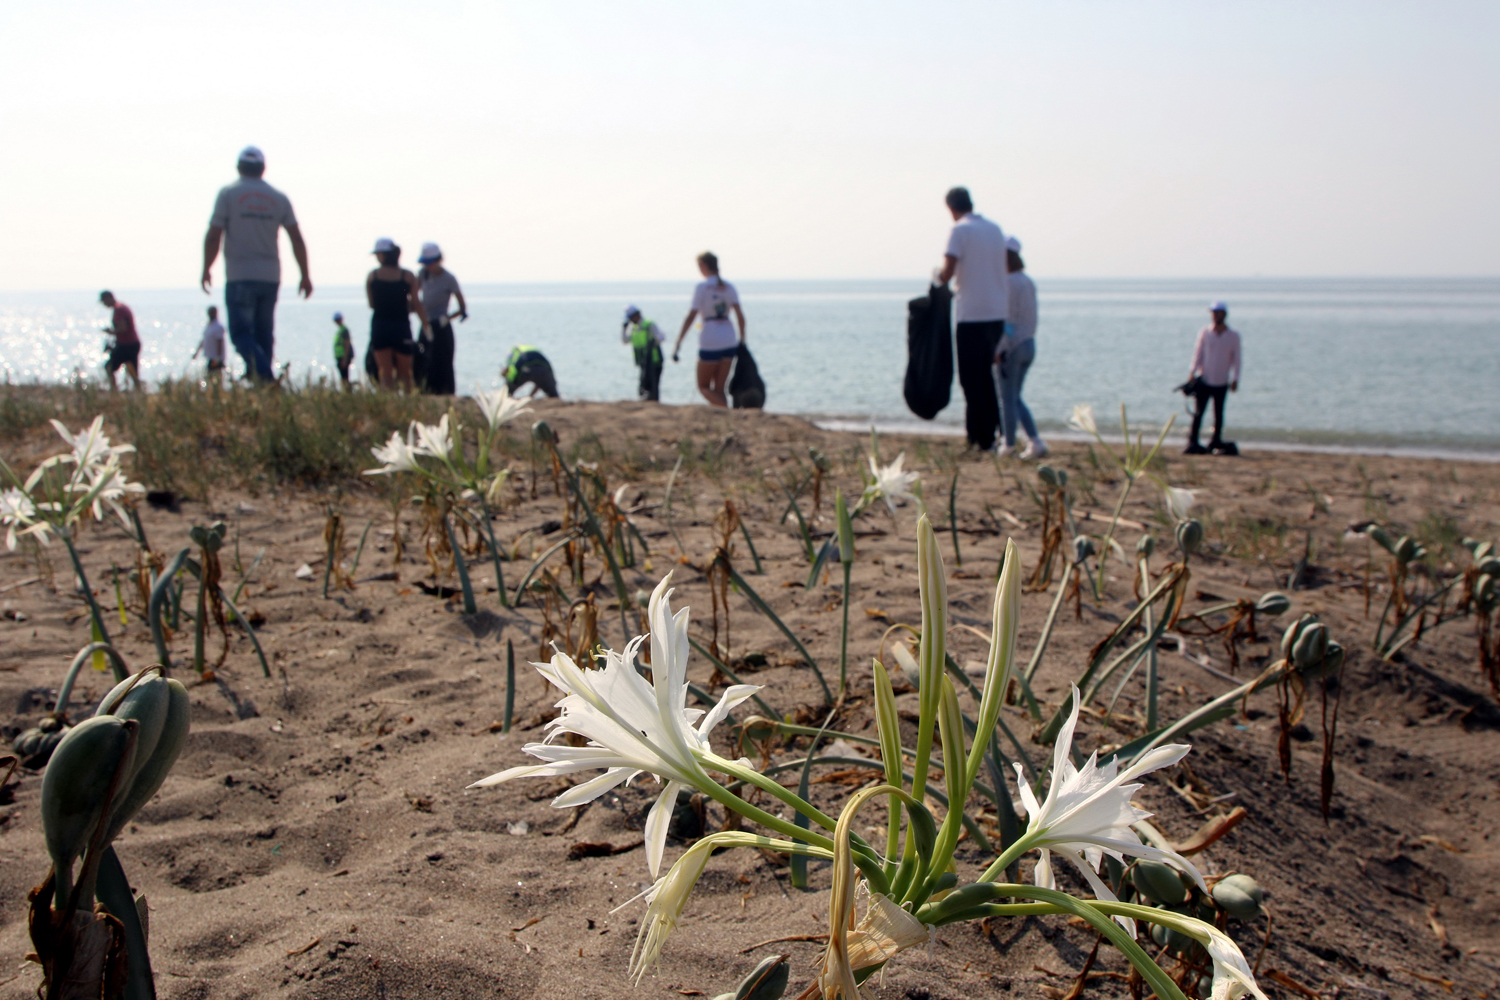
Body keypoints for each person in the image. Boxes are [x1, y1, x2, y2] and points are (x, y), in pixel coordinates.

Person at [202, 146, 312, 382]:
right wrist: (305, 274)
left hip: (239, 274)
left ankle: (265, 378)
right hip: (270, 276)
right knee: (264, 335)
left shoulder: (228, 194)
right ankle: (262, 383)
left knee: (241, 334)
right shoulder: (278, 197)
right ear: (263, 168)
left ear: (239, 167)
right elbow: (297, 238)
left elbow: (214, 235)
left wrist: (206, 268)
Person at [936, 187, 1008, 451]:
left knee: (970, 379)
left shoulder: (959, 231)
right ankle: (994, 433)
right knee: (987, 377)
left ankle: (978, 437)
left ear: (951, 208)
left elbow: (947, 271)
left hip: (972, 315)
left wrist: (936, 278)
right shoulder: (994, 229)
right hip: (997, 311)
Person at [672, 252, 745, 408]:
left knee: (703, 386)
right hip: (729, 337)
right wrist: (742, 340)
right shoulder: (728, 287)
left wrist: (679, 341)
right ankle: (725, 419)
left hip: (710, 338)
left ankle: (728, 412)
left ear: (703, 266)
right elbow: (740, 316)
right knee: (719, 389)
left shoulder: (702, 287)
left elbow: (691, 316)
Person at [996, 236, 1047, 459]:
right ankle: (1034, 440)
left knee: (1007, 398)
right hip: (1029, 343)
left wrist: (999, 349)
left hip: (1013, 346)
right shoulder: (1027, 281)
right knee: (1016, 397)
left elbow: (1007, 321)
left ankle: (1008, 444)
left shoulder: (1008, 283)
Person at [366, 238, 429, 392]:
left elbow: (372, 304)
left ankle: (390, 407)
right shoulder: (407, 276)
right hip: (401, 326)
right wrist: (426, 325)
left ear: (383, 255)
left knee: (385, 373)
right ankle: (408, 407)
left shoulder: (372, 276)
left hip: (380, 326)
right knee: (406, 374)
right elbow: (416, 303)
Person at [1184, 301, 1242, 455]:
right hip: (1205, 380)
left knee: (1218, 414)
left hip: (1222, 381)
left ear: (1224, 314)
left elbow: (1237, 359)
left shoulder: (1233, 336)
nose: (1216, 315)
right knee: (1198, 413)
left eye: (1218, 313)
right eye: (1214, 313)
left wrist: (1236, 378)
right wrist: (1192, 371)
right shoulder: (1205, 332)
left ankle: (1215, 440)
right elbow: (1198, 353)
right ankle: (1193, 440)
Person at [417, 243, 466, 396]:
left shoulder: (449, 279)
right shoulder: (422, 275)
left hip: (442, 326)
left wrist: (447, 318)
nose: (427, 266)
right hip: (426, 324)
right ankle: (424, 392)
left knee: (443, 363)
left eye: (429, 263)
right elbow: (412, 294)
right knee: (423, 360)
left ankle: (446, 394)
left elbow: (462, 308)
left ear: (438, 260)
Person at [98, 291, 141, 391]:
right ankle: (138, 391)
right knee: (133, 371)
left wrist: (111, 332)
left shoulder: (119, 310)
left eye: (104, 301)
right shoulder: (122, 307)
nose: (104, 304)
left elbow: (123, 329)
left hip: (127, 345)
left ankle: (114, 390)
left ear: (109, 298)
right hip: (132, 343)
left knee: (109, 367)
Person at [622, 305, 665, 401]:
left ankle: (654, 402)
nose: (630, 320)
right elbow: (625, 341)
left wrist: (654, 341)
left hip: (655, 360)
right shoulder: (633, 328)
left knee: (653, 384)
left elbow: (661, 337)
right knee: (643, 384)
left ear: (637, 315)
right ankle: (645, 400)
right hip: (643, 362)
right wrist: (624, 329)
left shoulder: (649, 324)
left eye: (630, 317)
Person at [191, 305, 227, 382]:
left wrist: (218, 358)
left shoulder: (218, 326)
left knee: (215, 376)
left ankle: (218, 392)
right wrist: (197, 352)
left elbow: (220, 342)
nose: (211, 314)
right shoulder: (209, 325)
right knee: (210, 376)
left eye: (212, 313)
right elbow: (204, 340)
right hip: (210, 356)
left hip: (215, 358)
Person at [332, 312, 354, 388]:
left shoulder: (344, 330)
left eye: (338, 319)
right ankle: (346, 390)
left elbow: (347, 344)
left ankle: (348, 391)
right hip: (340, 357)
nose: (337, 322)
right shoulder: (340, 330)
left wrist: (345, 359)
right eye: (336, 320)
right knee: (343, 377)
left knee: (345, 377)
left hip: (344, 357)